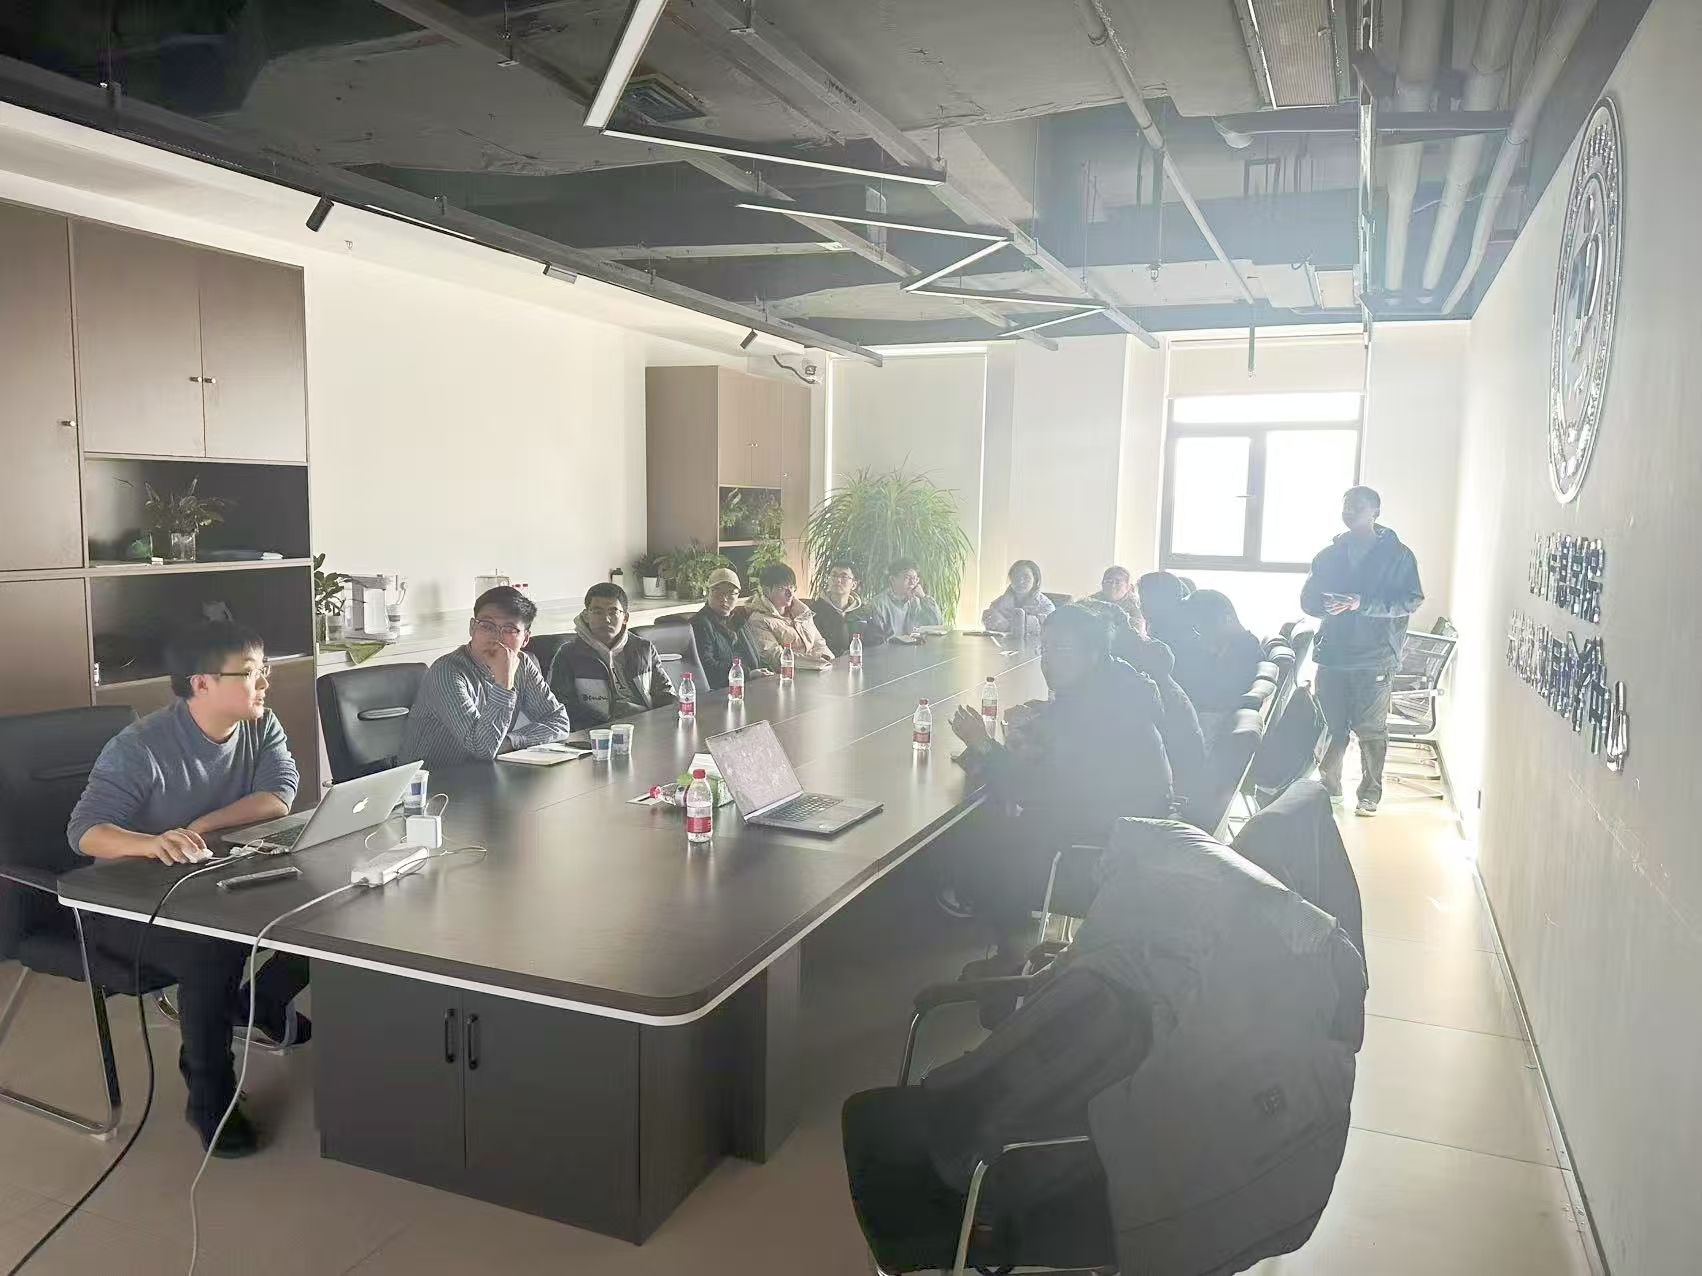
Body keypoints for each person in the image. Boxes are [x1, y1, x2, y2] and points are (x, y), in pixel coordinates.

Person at [67, 621, 311, 1156]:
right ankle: (210, 1098)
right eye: (250, 674)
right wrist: (153, 842)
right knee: (210, 951)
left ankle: (261, 1002)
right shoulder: (140, 747)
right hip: (128, 906)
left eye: (265, 670)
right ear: (202, 683)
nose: (264, 683)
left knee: (327, 906)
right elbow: (85, 832)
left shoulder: (260, 724)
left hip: (208, 883)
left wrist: (199, 826)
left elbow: (280, 794)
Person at [945, 604, 1174, 966]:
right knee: (993, 820)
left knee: (976, 834)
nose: (1048, 662)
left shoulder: (1099, 709)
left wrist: (983, 745)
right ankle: (1011, 943)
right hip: (1128, 830)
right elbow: (1066, 751)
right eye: (1045, 649)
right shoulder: (1117, 684)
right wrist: (1040, 727)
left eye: (1062, 650)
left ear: (1094, 652)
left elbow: (1033, 789)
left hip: (1098, 852)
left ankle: (1012, 959)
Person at [1301, 485, 1424, 816]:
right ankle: (1330, 786)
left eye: (1357, 506)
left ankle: (1370, 793)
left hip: (1375, 656)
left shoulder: (1399, 555)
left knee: (1371, 729)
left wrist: (1362, 604)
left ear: (1375, 512)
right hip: (1333, 654)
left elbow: (1411, 600)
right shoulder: (1328, 556)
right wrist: (1325, 605)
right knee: (1331, 726)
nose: (1349, 511)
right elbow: (1307, 600)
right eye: (1346, 506)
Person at [403, 585, 573, 769]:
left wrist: (511, 741)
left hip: (485, 773)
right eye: (487, 626)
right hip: (432, 780)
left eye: (509, 629)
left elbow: (558, 721)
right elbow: (483, 749)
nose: (496, 638)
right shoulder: (447, 671)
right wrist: (504, 683)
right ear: (472, 628)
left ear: (525, 639)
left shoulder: (522, 664)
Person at [1080, 598, 1207, 804]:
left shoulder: (1125, 674)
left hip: (1164, 791)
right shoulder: (1140, 655)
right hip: (1176, 774)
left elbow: (1094, 737)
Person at [547, 582, 676, 726]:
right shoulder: (568, 655)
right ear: (586, 615)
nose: (606, 619)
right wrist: (609, 721)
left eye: (613, 612)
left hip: (646, 726)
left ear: (625, 618)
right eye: (597, 612)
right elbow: (560, 707)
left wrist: (652, 718)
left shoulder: (643, 649)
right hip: (596, 731)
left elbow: (666, 694)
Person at [1171, 589, 1265, 719]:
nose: (1199, 635)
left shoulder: (1244, 654)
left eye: (1202, 626)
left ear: (1226, 619)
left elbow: (1217, 700)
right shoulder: (1235, 647)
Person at [745, 562, 834, 669]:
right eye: (782, 588)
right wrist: (816, 662)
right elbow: (776, 657)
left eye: (791, 587)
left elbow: (819, 642)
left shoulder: (802, 611)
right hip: (791, 673)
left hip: (821, 668)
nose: (790, 593)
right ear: (766, 590)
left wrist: (830, 660)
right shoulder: (758, 620)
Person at [692, 567, 764, 689]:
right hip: (723, 690)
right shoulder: (700, 623)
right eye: (719, 593)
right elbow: (707, 668)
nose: (724, 599)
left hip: (750, 684)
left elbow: (756, 655)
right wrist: (748, 674)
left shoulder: (738, 620)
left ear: (737, 596)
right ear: (709, 593)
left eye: (731, 593)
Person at [808, 560, 886, 657]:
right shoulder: (814, 611)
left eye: (844, 577)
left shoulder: (865, 612)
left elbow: (877, 642)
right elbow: (812, 645)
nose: (838, 580)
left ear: (854, 585)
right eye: (834, 575)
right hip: (828, 662)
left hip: (860, 661)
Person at [866, 558, 946, 638]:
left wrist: (924, 597)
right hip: (891, 646)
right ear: (892, 579)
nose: (912, 583)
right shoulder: (879, 605)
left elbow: (938, 624)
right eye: (907, 578)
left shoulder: (917, 601)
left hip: (917, 645)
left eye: (915, 579)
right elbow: (877, 640)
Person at [981, 559, 1054, 639]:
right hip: (1003, 645)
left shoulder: (1046, 606)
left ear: (1035, 580)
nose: (1020, 581)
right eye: (1016, 576)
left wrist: (1008, 626)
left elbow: (1048, 630)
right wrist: (988, 620)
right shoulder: (998, 603)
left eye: (1026, 577)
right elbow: (991, 632)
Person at [1136, 570, 1189, 647]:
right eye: (1141, 600)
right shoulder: (1156, 625)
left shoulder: (1170, 634)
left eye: (1144, 600)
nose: (1140, 606)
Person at [1091, 564, 1146, 635]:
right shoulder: (1091, 601)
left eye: (1117, 583)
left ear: (1128, 586)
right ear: (1102, 584)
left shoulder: (1138, 605)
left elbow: (1137, 632)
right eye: (1109, 582)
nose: (1113, 586)